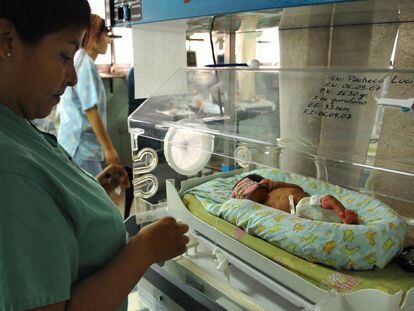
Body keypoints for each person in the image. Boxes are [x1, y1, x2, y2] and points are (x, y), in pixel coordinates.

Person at [0, 1, 189, 310]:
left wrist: (87, 193)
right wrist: (144, 250)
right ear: (8, 40)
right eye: (64, 55)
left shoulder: (17, 126)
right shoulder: (10, 171)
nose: (73, 77)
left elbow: (45, 215)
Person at [58, 14, 122, 176]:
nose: (109, 40)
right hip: (82, 147)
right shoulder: (85, 64)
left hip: (73, 143)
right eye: (106, 34)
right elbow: (91, 110)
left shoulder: (78, 59)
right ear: (93, 37)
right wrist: (109, 148)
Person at [232, 174, 359, 224]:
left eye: (251, 193)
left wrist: (276, 183)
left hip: (310, 202)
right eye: (248, 198)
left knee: (328, 199)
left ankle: (344, 216)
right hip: (301, 216)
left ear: (261, 184)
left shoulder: (275, 188)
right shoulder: (262, 206)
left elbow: (299, 189)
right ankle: (342, 220)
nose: (251, 198)